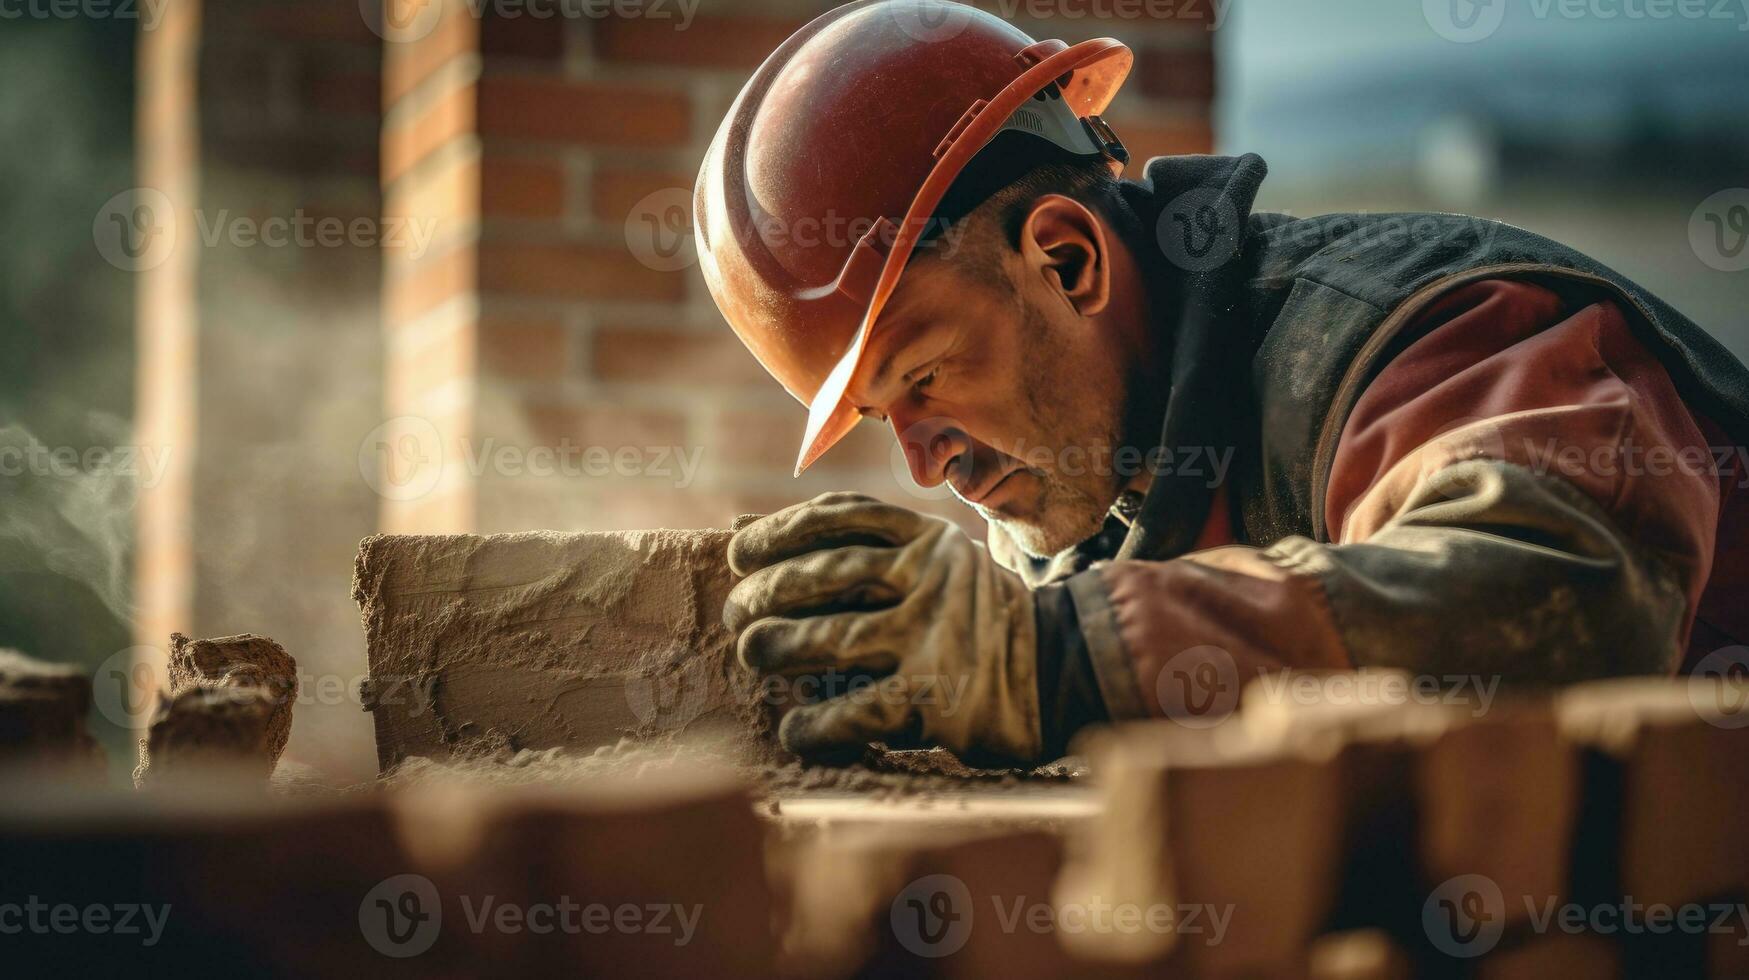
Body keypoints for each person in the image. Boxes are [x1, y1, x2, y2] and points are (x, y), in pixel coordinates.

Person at [693, 0, 1749, 765]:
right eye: (885, 419)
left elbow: (1563, 593)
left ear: (1067, 261)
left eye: (924, 376)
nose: (925, 466)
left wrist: (1060, 658)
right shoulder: (1092, 497)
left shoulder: (1417, 338)